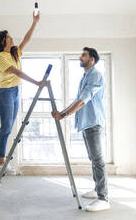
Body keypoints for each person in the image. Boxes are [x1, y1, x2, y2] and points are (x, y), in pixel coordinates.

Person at [51, 47, 110, 212]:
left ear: (92, 59)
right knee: (93, 158)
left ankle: (103, 198)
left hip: (94, 123)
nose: (80, 57)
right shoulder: (85, 76)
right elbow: (78, 99)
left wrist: (63, 115)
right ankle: (98, 189)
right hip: (86, 123)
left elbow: (83, 100)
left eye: (83, 55)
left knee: (98, 160)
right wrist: (62, 113)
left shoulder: (96, 75)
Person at [0, 12, 44, 175]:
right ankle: (0, 162)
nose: (11, 38)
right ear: (2, 41)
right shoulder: (2, 57)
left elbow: (26, 40)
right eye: (8, 37)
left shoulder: (14, 53)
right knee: (6, 127)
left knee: (10, 127)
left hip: (15, 92)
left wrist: (35, 22)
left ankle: (3, 160)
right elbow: (16, 71)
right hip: (5, 94)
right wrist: (36, 82)